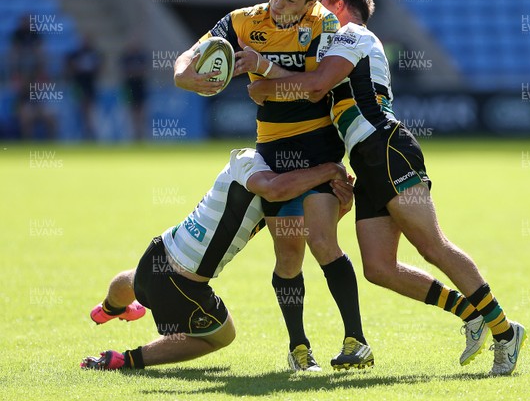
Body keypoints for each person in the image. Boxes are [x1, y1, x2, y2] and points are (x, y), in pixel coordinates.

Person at [248, 0, 527, 376]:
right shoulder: (338, 45)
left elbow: (313, 87)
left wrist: (262, 84)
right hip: (367, 157)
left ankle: (504, 330)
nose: (315, 14)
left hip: (386, 146)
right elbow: (309, 84)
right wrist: (264, 73)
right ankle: (470, 313)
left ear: (340, 6)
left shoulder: (351, 34)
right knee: (379, 267)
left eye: (321, 5)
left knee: (432, 245)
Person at [173, 0, 372, 371]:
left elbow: (316, 91)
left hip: (320, 149)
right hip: (274, 152)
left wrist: (264, 74)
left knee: (323, 242)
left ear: (309, 4)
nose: (278, 4)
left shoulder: (324, 26)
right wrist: (184, 76)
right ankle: (299, 349)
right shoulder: (244, 21)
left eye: (291, 0)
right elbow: (190, 56)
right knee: (288, 256)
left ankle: (356, 340)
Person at [80, 148, 353, 370]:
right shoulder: (249, 161)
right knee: (222, 335)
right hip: (182, 284)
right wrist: (329, 170)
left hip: (161, 249)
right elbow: (275, 190)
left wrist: (339, 206)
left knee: (134, 279)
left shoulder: (283, 183)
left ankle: (109, 309)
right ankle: (125, 360)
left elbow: (308, 233)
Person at [65, 35, 103, 140]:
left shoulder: (94, 54)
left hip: (90, 85)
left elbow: (99, 68)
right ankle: (86, 132)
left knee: (89, 110)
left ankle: (89, 132)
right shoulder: (75, 54)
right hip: (78, 85)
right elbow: (69, 67)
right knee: (81, 109)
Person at [120, 39, 148, 141]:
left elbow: (143, 71)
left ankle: (141, 134)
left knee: (141, 111)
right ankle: (132, 135)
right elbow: (124, 71)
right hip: (129, 87)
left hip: (140, 86)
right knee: (130, 111)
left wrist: (134, 72)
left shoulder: (141, 56)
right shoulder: (126, 57)